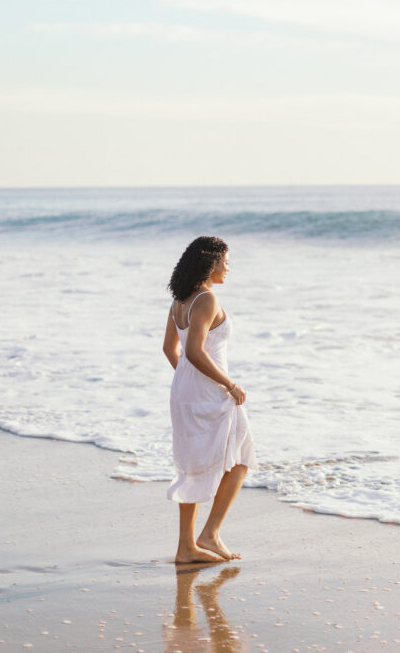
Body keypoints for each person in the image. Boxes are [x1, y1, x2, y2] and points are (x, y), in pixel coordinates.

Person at [163, 236, 257, 563]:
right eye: (225, 262)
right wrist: (229, 384)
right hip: (208, 391)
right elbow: (193, 350)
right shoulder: (206, 299)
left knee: (194, 467)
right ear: (210, 263)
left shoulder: (180, 300)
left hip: (185, 391)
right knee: (242, 457)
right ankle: (210, 534)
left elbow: (170, 350)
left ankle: (186, 548)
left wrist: (187, 383)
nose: (228, 267)